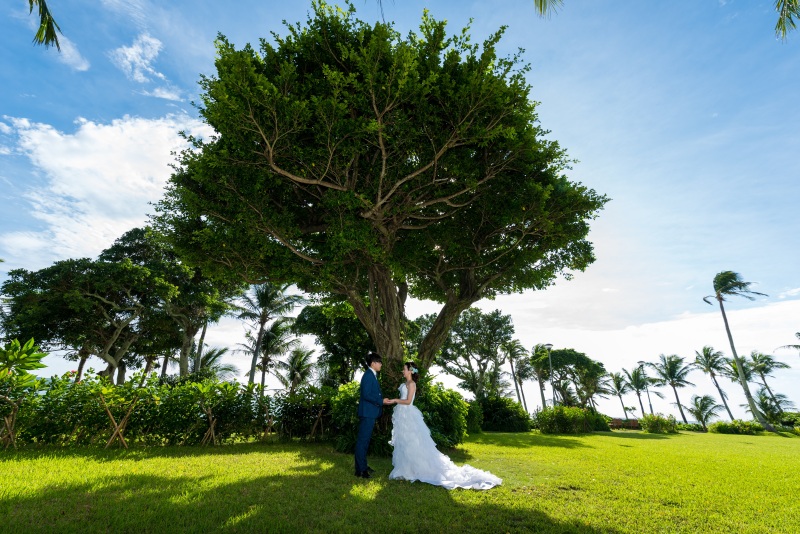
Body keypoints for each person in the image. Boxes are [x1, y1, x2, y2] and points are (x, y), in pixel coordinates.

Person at [385, 362, 502, 490]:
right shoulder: (405, 383)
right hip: (402, 415)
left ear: (411, 371)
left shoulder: (412, 384)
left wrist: (395, 400)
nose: (402, 371)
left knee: (412, 441)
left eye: (404, 369)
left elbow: (408, 401)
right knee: (405, 441)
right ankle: (406, 468)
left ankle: (416, 469)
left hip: (409, 415)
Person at [355, 352, 392, 479]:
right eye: (379, 362)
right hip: (367, 413)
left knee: (365, 441)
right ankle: (361, 471)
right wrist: (380, 401)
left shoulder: (372, 375)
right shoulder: (368, 375)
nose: (381, 364)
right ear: (373, 363)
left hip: (369, 413)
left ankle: (362, 466)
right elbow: (366, 394)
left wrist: (381, 400)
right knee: (363, 441)